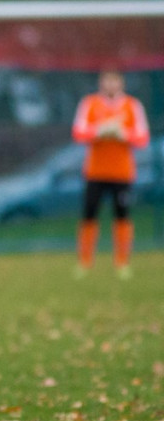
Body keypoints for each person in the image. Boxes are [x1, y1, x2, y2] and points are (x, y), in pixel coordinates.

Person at [71, 69, 149, 279]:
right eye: (107, 81)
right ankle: (85, 262)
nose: (110, 85)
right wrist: (100, 131)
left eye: (114, 81)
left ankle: (122, 263)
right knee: (89, 215)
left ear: (121, 83)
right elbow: (78, 133)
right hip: (95, 172)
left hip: (122, 173)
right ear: (101, 83)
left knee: (122, 215)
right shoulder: (90, 104)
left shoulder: (132, 106)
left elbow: (143, 138)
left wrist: (122, 133)